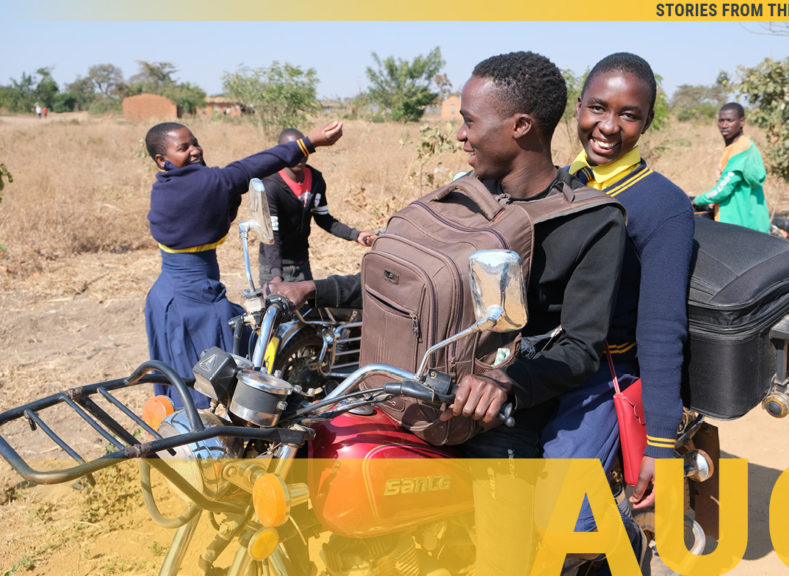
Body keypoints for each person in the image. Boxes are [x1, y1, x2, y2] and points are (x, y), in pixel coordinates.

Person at [270, 51, 628, 575]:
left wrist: (506, 383)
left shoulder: (590, 221)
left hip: (496, 416)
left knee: (505, 561)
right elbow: (412, 281)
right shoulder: (464, 193)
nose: (460, 134)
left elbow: (580, 347)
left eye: (468, 120)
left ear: (521, 125)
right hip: (408, 386)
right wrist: (316, 289)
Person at [540, 52, 694, 574]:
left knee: (566, 512)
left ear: (646, 123)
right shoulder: (558, 183)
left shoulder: (662, 205)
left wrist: (662, 444)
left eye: (629, 115)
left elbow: (661, 327)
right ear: (577, 108)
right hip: (545, 362)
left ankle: (621, 539)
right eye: (598, 108)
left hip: (606, 373)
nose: (608, 126)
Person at [144, 120, 343, 408]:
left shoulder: (164, 186)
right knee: (218, 383)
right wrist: (307, 143)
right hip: (195, 303)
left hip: (164, 298)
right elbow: (250, 167)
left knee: (178, 383)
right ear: (162, 159)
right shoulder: (207, 182)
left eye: (195, 142)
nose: (195, 151)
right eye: (183, 148)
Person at [259, 128, 376, 285]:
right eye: (292, 150)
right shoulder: (271, 186)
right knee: (278, 308)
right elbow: (271, 235)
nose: (299, 155)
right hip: (273, 267)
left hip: (301, 262)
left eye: (303, 149)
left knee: (307, 308)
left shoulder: (315, 179)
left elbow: (324, 219)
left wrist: (356, 235)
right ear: (281, 153)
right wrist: (276, 275)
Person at [691, 102, 770, 232]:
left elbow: (723, 189)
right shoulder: (738, 147)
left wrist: (697, 201)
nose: (724, 125)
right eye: (721, 121)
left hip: (740, 224)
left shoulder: (741, 150)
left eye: (729, 120)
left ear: (742, 122)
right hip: (750, 221)